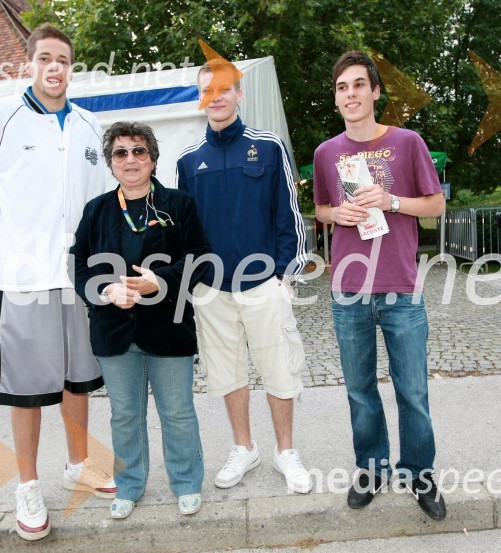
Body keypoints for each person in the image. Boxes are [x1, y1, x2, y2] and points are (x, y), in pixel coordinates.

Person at [0, 24, 115, 541]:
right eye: (45, 58)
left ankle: (79, 463)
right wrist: (8, 262)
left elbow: (100, 207)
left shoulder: (88, 125)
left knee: (78, 377)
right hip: (25, 277)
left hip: (76, 277)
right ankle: (27, 484)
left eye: (63, 60)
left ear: (72, 68)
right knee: (29, 390)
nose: (55, 67)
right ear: (29, 63)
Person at [312, 51, 447, 520]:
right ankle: (371, 468)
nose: (350, 94)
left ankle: (420, 474)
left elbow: (435, 206)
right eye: (341, 88)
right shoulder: (326, 153)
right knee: (360, 390)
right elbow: (321, 210)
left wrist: (391, 200)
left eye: (357, 85)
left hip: (401, 289)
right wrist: (335, 214)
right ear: (337, 98)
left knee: (412, 391)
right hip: (348, 290)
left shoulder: (408, 142)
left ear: (375, 91)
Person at [176, 60, 312, 493]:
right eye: (206, 90)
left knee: (280, 371)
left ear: (238, 94)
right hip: (212, 291)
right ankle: (244, 447)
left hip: (264, 286)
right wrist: (194, 281)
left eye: (223, 88)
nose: (215, 96)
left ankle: (285, 451)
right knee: (227, 373)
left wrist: (284, 278)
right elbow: (184, 230)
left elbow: (288, 218)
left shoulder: (269, 147)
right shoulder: (187, 161)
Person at [71, 121, 211, 519]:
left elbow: (200, 255)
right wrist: (104, 291)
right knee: (125, 414)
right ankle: (130, 485)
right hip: (113, 331)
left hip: (169, 327)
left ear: (152, 159)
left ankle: (185, 483)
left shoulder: (178, 204)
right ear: (110, 162)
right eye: (120, 152)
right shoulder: (96, 210)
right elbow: (79, 265)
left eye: (138, 151)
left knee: (178, 412)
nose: (130, 159)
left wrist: (159, 281)